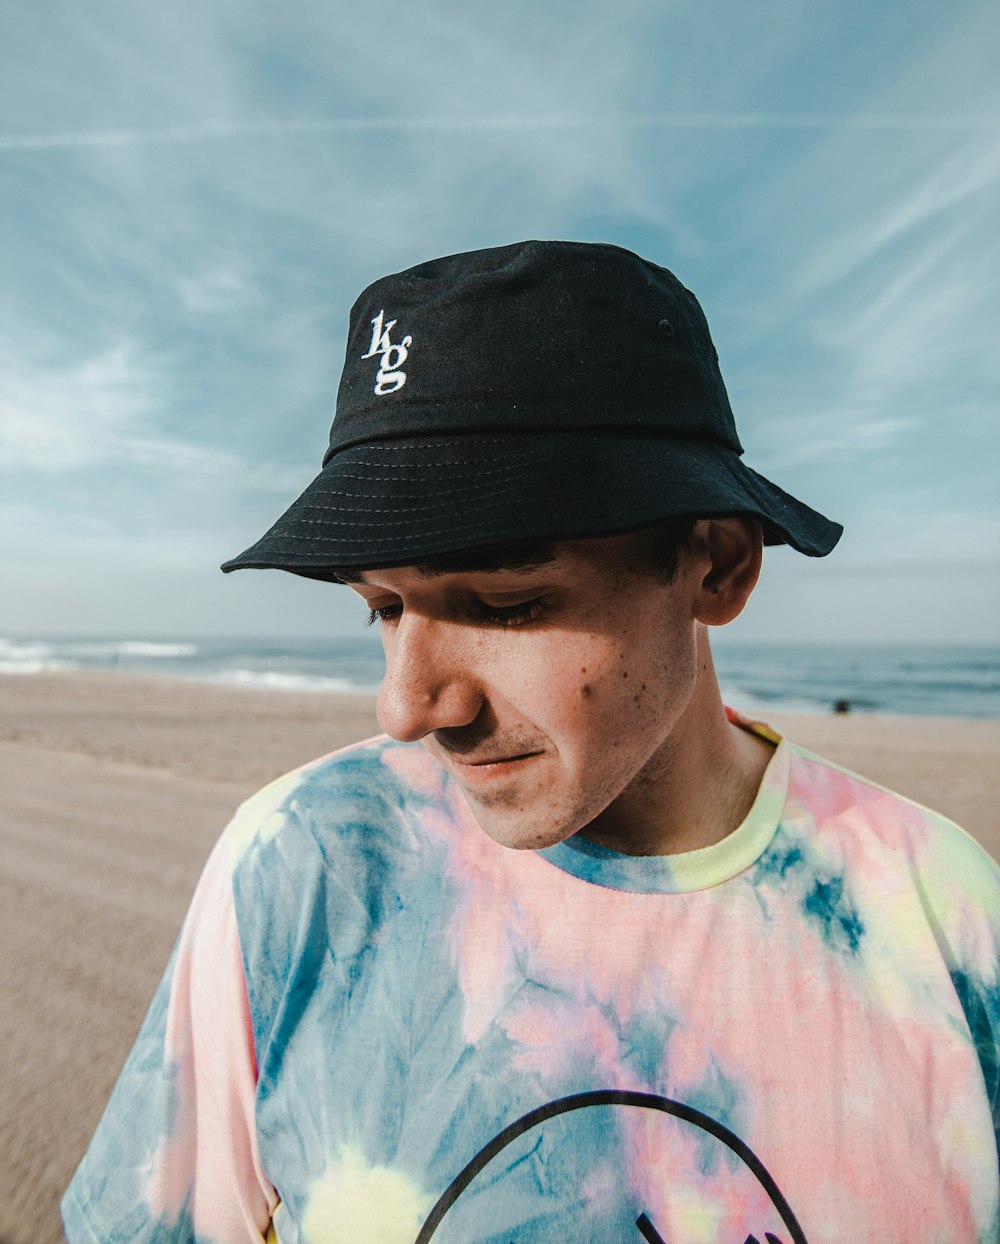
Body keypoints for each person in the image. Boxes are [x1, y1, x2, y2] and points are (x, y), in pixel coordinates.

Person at [62, 241, 999, 1243]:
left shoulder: (943, 909)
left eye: (504, 603)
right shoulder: (303, 861)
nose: (408, 706)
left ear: (716, 565)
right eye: (382, 606)